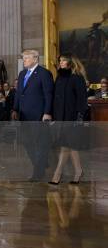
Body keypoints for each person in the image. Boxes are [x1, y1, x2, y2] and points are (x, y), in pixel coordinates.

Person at [12, 49, 54, 181]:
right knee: (26, 142)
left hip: (39, 115)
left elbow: (48, 94)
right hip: (24, 115)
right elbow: (19, 93)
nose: (24, 61)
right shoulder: (22, 73)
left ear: (35, 59)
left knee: (40, 143)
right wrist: (15, 109)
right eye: (23, 58)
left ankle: (38, 172)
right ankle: (40, 164)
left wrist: (47, 112)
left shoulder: (44, 73)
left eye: (26, 58)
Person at [49, 54, 88, 185]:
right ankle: (78, 171)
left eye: (63, 60)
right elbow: (56, 99)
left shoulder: (77, 78)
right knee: (71, 146)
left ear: (70, 62)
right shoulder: (59, 78)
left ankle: (57, 174)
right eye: (60, 60)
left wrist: (79, 117)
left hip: (72, 117)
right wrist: (53, 116)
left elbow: (82, 99)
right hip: (60, 118)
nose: (61, 62)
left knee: (65, 145)